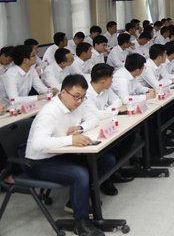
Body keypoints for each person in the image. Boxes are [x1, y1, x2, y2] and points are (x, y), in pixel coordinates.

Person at [24, 74, 112, 236]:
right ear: (63, 92)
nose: (79, 101)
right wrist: (70, 140)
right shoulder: (50, 112)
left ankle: (76, 201)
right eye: (76, 96)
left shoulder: (77, 104)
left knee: (106, 160)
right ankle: (81, 223)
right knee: (80, 174)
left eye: (83, 97)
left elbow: (93, 118)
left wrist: (80, 128)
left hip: (61, 154)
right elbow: (37, 143)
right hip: (38, 162)